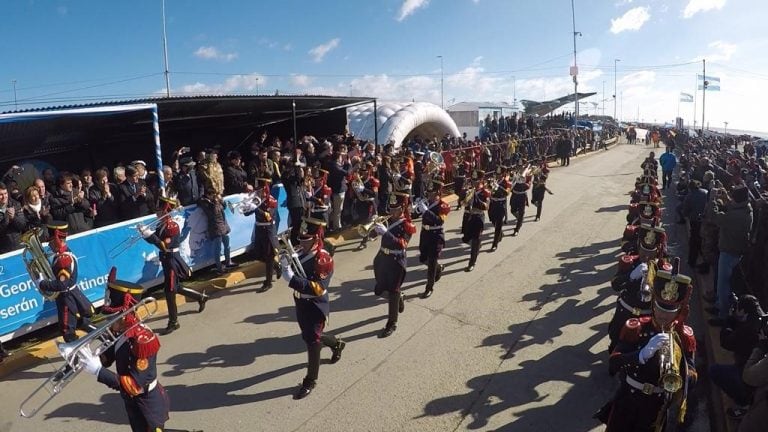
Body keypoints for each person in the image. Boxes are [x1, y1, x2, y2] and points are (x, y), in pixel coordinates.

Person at [598, 267, 697, 431]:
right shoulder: (637, 328)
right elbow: (614, 363)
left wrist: (678, 365)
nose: (663, 315)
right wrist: (641, 354)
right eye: (660, 308)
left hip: (656, 407)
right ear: (653, 304)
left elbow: (692, 378)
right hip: (627, 400)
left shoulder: (683, 336)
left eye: (670, 311)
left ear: (679, 311)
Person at [76, 268, 171, 431]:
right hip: (132, 402)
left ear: (125, 315)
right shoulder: (122, 333)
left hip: (147, 404)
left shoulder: (142, 340)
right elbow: (109, 356)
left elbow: (134, 386)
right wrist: (87, 358)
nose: (108, 320)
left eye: (112, 317)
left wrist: (98, 371)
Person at [279, 218, 346, 399]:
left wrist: (291, 278)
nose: (301, 242)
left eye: (306, 239)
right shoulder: (300, 251)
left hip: (315, 305)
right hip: (300, 302)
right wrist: (285, 264)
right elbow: (293, 270)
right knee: (310, 336)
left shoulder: (323, 258)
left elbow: (318, 288)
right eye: (300, 238)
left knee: (312, 341)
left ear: (316, 238)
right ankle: (336, 344)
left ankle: (310, 379)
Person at [139, 197, 208, 334]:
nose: (157, 214)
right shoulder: (161, 224)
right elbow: (156, 241)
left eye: (160, 211)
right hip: (166, 259)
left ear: (167, 211)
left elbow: (164, 245)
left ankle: (173, 322)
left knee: (169, 291)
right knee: (175, 287)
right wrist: (144, 234)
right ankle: (200, 297)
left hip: (172, 259)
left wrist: (150, 235)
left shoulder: (172, 226)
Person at [38, 222, 95, 342]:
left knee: (67, 331)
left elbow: (62, 284)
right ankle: (106, 337)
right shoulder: (64, 253)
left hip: (67, 299)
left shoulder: (63, 259)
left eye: (50, 241)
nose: (49, 244)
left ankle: (77, 359)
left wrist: (42, 283)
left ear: (56, 240)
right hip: (71, 295)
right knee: (81, 323)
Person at [706, 184, 753, 326]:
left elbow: (713, 216)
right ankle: (720, 306)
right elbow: (733, 208)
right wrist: (727, 198)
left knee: (723, 286)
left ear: (737, 200)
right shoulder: (746, 209)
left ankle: (723, 316)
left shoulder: (735, 216)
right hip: (736, 251)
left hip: (729, 253)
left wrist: (712, 199)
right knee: (724, 285)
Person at [372, 192, 416, 338]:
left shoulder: (407, 225)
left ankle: (392, 323)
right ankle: (399, 298)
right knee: (378, 290)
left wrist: (386, 233)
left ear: (402, 208)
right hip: (382, 258)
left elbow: (403, 245)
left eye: (395, 209)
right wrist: (373, 227)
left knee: (393, 291)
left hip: (396, 260)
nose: (391, 212)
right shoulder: (388, 220)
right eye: (390, 208)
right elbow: (373, 236)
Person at [243, 178, 279, 292]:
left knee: (269, 257)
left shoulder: (271, 200)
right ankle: (277, 266)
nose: (257, 192)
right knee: (258, 255)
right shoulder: (256, 199)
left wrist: (256, 208)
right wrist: (246, 206)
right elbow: (247, 213)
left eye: (259, 190)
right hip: (259, 229)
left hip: (268, 229)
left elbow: (268, 216)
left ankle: (268, 283)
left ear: (265, 189)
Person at [417, 178, 450, 298]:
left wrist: (426, 212)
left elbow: (439, 220)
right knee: (423, 258)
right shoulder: (427, 202)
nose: (429, 194)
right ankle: (439, 267)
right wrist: (417, 206)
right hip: (425, 233)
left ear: (437, 193)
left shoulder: (444, 205)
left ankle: (429, 288)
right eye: (428, 192)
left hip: (436, 235)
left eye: (431, 192)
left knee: (431, 264)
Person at [197, 190, 237, 275]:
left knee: (227, 245)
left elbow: (225, 206)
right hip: (215, 228)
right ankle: (219, 267)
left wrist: (221, 199)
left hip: (223, 225)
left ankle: (228, 261)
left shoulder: (217, 201)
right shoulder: (205, 203)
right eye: (212, 195)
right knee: (217, 249)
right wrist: (214, 201)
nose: (214, 196)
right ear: (208, 195)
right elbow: (213, 212)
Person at [461, 170, 490, 272]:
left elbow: (486, 207)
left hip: (478, 217)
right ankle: (478, 245)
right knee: (465, 238)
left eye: (476, 180)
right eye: (472, 180)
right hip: (469, 216)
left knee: (475, 241)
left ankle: (472, 263)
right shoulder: (469, 190)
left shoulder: (485, 192)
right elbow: (462, 203)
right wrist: (463, 193)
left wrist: (475, 196)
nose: (473, 182)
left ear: (481, 180)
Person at [487, 167, 511, 251]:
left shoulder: (506, 182)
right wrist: (489, 185)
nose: (497, 175)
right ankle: (500, 233)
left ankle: (495, 244)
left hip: (501, 204)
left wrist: (498, 187)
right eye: (497, 174)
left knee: (498, 224)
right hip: (492, 203)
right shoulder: (493, 180)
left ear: (503, 174)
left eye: (499, 174)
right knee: (492, 220)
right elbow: (488, 190)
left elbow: (507, 193)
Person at [509, 168, 530, 237]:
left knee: (521, 213)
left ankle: (516, 229)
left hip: (522, 196)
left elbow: (528, 186)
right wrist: (513, 178)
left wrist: (524, 181)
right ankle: (520, 219)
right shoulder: (515, 174)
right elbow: (510, 185)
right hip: (515, 195)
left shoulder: (527, 175)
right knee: (513, 210)